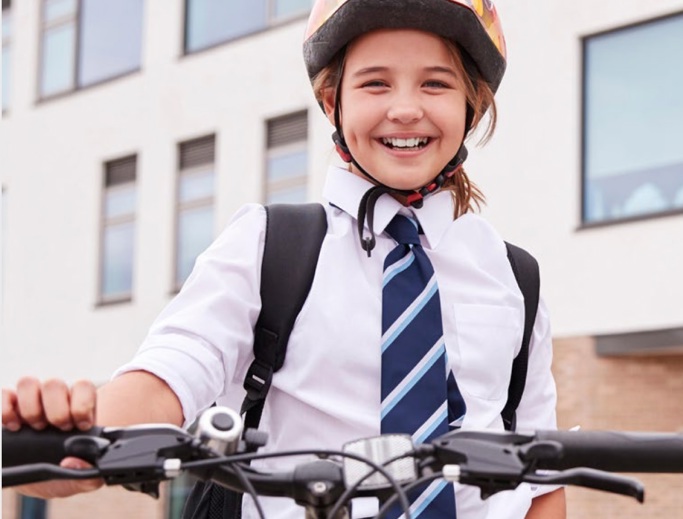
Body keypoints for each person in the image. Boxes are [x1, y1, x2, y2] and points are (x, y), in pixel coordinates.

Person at [2, 0, 566, 517]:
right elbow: (170, 372)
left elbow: (540, 478)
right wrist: (78, 438)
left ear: (471, 105)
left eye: (435, 84)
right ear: (332, 101)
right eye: (374, 84)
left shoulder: (515, 278)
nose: (405, 109)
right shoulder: (270, 245)